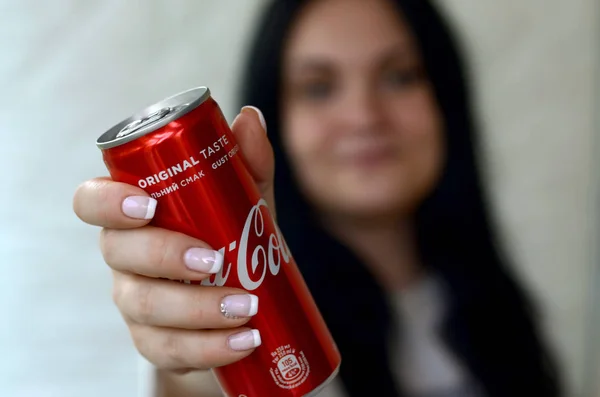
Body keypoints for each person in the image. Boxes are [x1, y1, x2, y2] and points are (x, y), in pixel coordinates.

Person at [73, 0, 563, 396]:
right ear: (277, 119)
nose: (364, 115)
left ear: (446, 101)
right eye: (319, 87)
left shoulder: (500, 305)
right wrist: (199, 359)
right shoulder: (272, 322)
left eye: (399, 77)